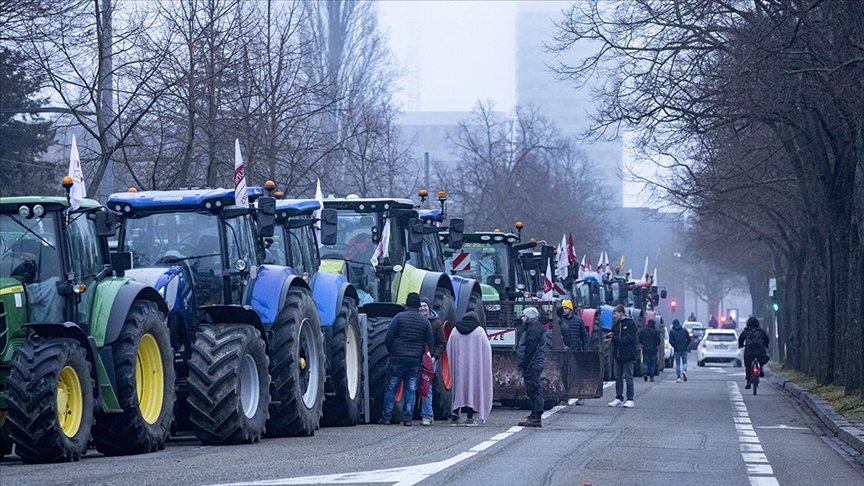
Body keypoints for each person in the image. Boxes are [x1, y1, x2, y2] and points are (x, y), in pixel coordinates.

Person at [380, 292, 434, 426]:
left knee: (391, 387)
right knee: (410, 388)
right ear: (418, 305)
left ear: (407, 303)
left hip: (397, 357)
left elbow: (388, 337)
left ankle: (386, 417)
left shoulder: (398, 318)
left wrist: (392, 351)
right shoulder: (425, 322)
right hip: (415, 360)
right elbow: (430, 342)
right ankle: (408, 418)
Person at [447, 311, 492, 426]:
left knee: (458, 389)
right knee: (472, 389)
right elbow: (487, 348)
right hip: (474, 367)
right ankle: (470, 418)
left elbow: (449, 346)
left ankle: (455, 416)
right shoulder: (479, 331)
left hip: (459, 366)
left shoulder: (455, 330)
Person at [517, 307, 546, 427]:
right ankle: (534, 414)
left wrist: (525, 364)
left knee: (534, 389)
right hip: (534, 363)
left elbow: (530, 349)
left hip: (532, 364)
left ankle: (536, 416)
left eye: (524, 316)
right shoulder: (534, 327)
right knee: (532, 389)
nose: (522, 318)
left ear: (529, 317)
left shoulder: (533, 329)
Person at [419, 295, 445, 426]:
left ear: (429, 307)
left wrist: (434, 357)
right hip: (416, 357)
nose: (423, 308)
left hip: (430, 359)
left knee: (426, 386)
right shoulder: (415, 321)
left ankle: (427, 415)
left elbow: (442, 343)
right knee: (412, 386)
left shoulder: (436, 323)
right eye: (421, 306)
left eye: (425, 306)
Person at [608, 305, 638, 408]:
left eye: (615, 313)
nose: (614, 316)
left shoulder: (630, 324)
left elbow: (629, 338)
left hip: (627, 355)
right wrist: (608, 336)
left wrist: (615, 338)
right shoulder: (616, 325)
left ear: (621, 313)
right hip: (617, 355)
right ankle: (619, 398)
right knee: (618, 377)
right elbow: (611, 334)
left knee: (628, 377)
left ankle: (630, 399)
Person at [738, 316, 770, 389]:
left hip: (749, 352)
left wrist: (741, 345)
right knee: (761, 360)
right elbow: (766, 339)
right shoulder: (761, 331)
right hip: (759, 351)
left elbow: (741, 339)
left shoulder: (746, 331)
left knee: (748, 365)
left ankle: (748, 381)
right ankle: (760, 369)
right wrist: (766, 345)